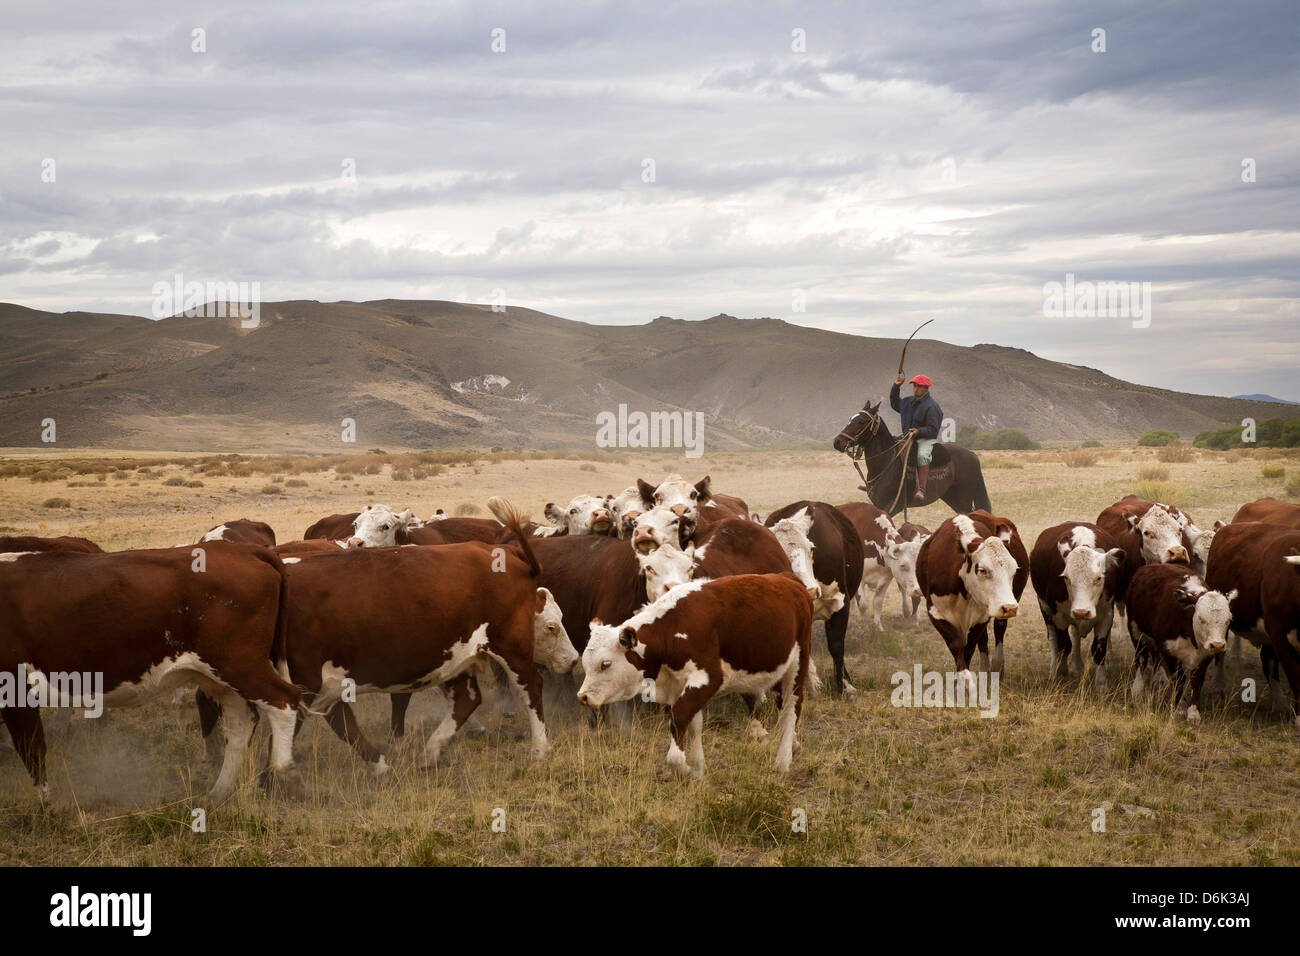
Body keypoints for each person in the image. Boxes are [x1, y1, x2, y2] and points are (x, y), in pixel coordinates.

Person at [889, 373, 942, 501]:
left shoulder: (932, 406)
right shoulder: (907, 402)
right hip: (908, 437)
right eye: (914, 386)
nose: (916, 388)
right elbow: (895, 403)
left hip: (925, 439)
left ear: (926, 388)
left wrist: (918, 431)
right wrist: (896, 386)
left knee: (922, 456)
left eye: (919, 386)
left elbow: (933, 429)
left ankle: (921, 490)